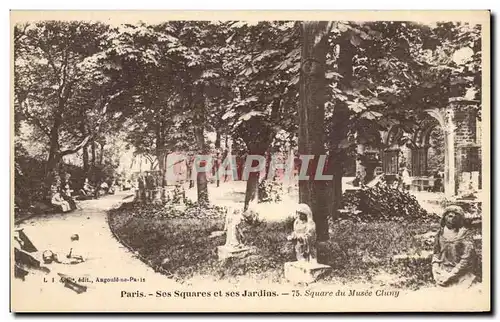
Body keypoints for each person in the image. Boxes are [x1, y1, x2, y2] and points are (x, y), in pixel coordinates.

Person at [432, 205, 477, 288]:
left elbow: (465, 260)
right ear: (444, 218)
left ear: (460, 219)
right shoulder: (439, 235)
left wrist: (450, 275)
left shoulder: (465, 235)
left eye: (455, 214)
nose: (451, 217)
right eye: (448, 214)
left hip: (461, 274)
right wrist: (436, 272)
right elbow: (436, 254)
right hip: (443, 272)